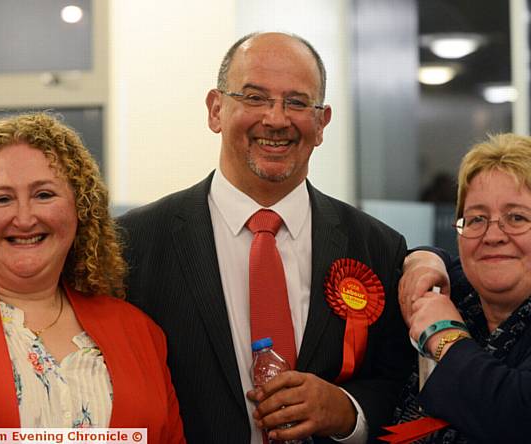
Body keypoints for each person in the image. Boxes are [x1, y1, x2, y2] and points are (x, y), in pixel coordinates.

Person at [118, 32, 414, 443]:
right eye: (254, 98)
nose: (276, 119)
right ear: (216, 109)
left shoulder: (378, 247)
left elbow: (399, 381)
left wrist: (348, 410)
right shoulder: (134, 243)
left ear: (322, 122)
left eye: (297, 102)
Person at [0, 113, 185, 443]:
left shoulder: (139, 332)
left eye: (44, 195)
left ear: (79, 209)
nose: (25, 218)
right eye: (2, 199)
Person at [393, 133, 531, 443]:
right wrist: (423, 262)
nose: (492, 235)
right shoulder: (468, 299)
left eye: (517, 217)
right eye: (477, 219)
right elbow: (444, 261)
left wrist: (444, 336)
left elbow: (523, 417)